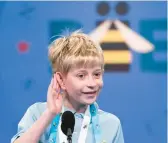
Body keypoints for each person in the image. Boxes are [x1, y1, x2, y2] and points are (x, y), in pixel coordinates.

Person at [11, 30, 124, 143]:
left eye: (97, 74)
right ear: (61, 80)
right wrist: (50, 114)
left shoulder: (112, 124)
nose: (92, 83)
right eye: (81, 75)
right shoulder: (37, 113)